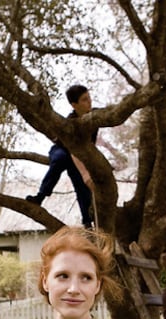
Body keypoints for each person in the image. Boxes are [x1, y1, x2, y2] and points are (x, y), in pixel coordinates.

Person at [26, 84, 97, 228]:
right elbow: (72, 149)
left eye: (89, 98)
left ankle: (87, 220)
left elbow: (90, 146)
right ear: (74, 105)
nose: (89, 102)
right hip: (62, 149)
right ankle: (41, 195)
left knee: (80, 183)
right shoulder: (71, 122)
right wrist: (85, 173)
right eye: (84, 100)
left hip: (79, 155)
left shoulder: (94, 119)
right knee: (62, 159)